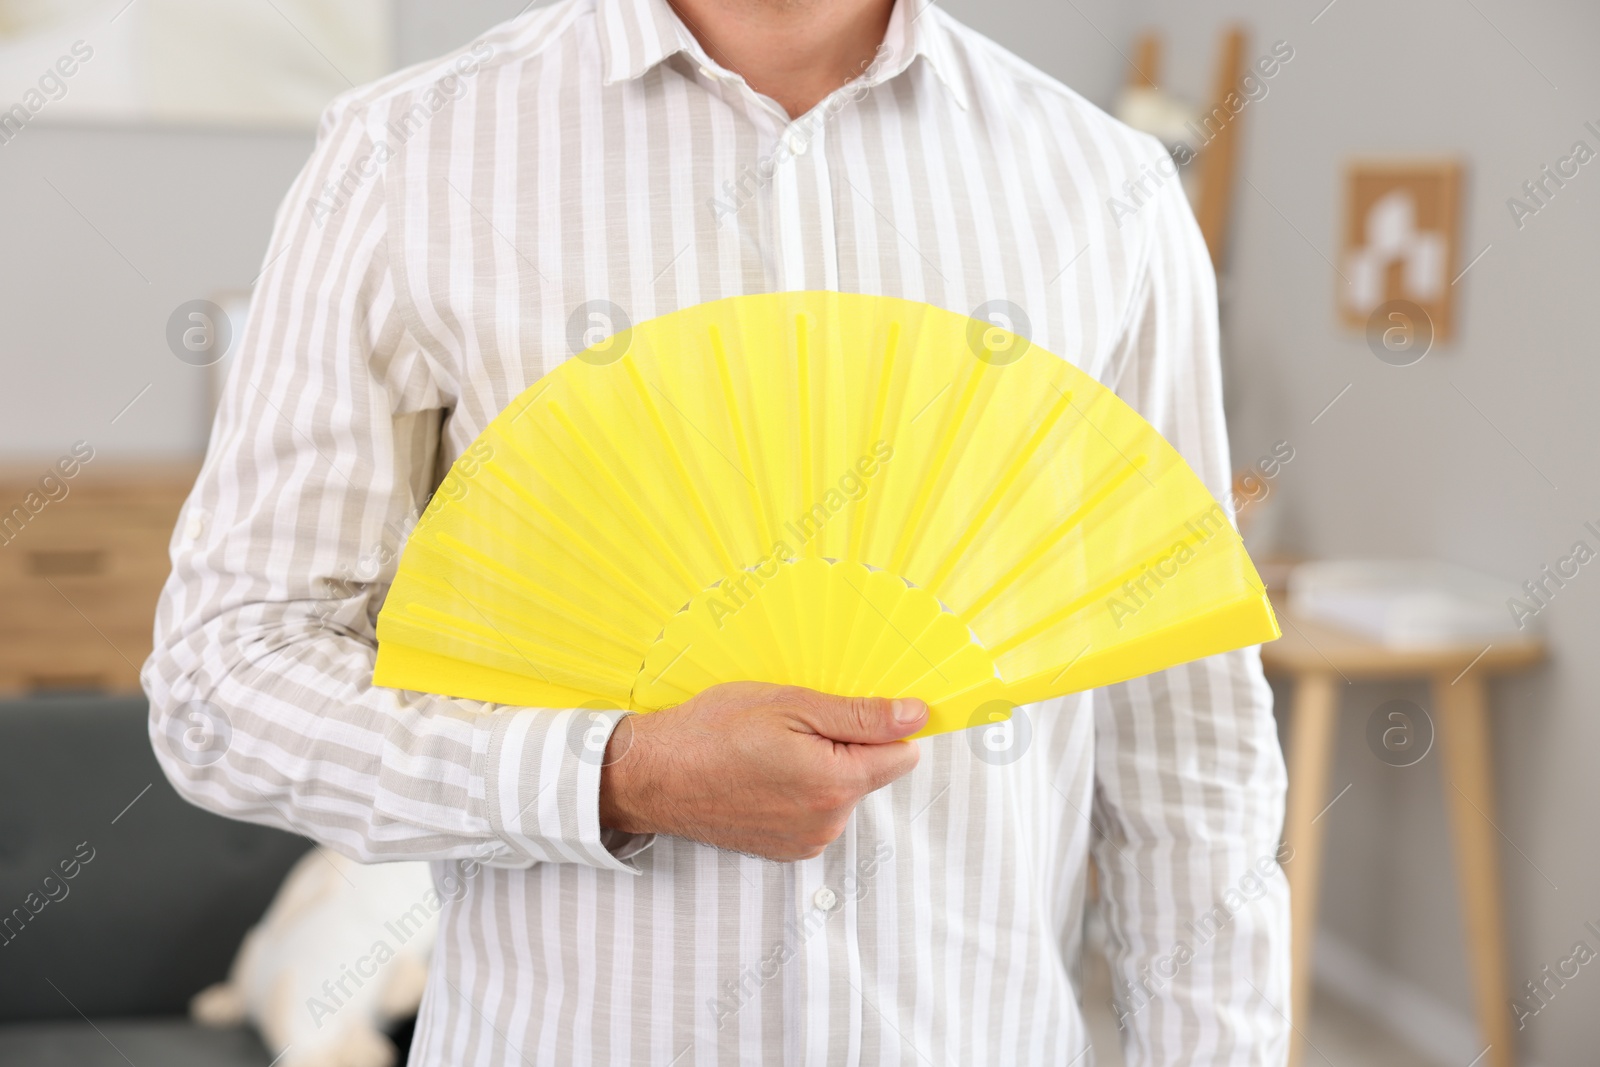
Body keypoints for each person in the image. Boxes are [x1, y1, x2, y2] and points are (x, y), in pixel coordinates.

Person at [144, 0, 1291, 1062]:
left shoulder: (1109, 189)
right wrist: (616, 775)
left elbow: (1184, 740)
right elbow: (223, 682)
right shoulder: (407, 154)